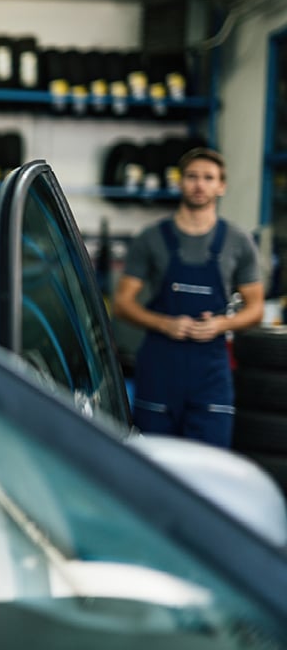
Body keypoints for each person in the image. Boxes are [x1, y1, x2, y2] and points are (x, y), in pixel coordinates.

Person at [113, 147, 263, 447]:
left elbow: (256, 308)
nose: (199, 184)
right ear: (180, 182)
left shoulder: (238, 241)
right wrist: (163, 323)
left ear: (221, 186)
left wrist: (221, 324)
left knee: (211, 463)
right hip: (159, 368)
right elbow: (122, 303)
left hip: (211, 373)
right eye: (192, 177)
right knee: (154, 462)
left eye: (208, 178)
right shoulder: (151, 238)